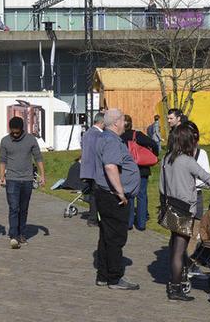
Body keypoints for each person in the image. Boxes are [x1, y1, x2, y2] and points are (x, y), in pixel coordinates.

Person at [160, 121, 210, 300]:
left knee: (174, 246)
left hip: (170, 206)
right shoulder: (188, 161)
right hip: (184, 209)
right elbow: (208, 178)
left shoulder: (167, 159)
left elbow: (161, 186)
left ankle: (176, 282)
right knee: (179, 251)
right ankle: (175, 288)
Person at [84, 109, 140, 290]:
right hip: (112, 196)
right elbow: (110, 166)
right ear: (116, 123)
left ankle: (103, 275)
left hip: (105, 194)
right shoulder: (111, 141)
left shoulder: (104, 138)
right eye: (124, 120)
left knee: (106, 236)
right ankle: (114, 277)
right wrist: (121, 192)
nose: (125, 124)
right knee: (116, 237)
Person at [0, 117, 45, 249]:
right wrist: (2, 176)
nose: (15, 134)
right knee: (14, 208)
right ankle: (13, 236)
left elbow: (38, 158)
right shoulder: (5, 141)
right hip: (12, 179)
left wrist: (42, 175)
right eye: (13, 132)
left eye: (17, 132)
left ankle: (21, 234)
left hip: (27, 179)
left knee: (23, 209)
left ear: (22, 129)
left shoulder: (30, 139)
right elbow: (2, 160)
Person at [121, 115, 158, 231]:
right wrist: (154, 155)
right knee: (142, 195)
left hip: (127, 170)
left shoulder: (118, 137)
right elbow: (153, 143)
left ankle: (129, 222)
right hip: (142, 169)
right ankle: (141, 224)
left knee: (129, 195)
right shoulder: (137, 135)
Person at [80, 113, 105, 227]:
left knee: (92, 193)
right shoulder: (99, 135)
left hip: (87, 168)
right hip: (96, 169)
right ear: (102, 122)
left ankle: (93, 216)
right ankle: (93, 218)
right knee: (97, 195)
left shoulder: (87, 133)